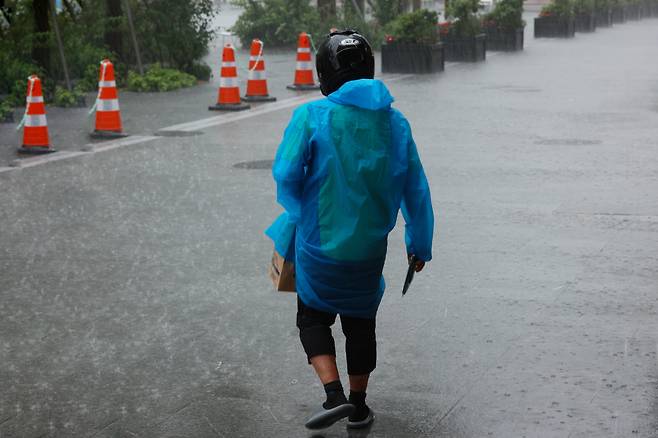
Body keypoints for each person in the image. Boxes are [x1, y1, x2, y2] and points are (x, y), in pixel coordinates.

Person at [266, 29, 434, 430]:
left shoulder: (310, 117)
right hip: (368, 251)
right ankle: (358, 406)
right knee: (361, 324)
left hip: (318, 247)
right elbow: (417, 190)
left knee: (312, 317)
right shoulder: (396, 124)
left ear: (325, 72)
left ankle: (333, 394)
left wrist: (301, 211)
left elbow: (286, 175)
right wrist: (419, 245)